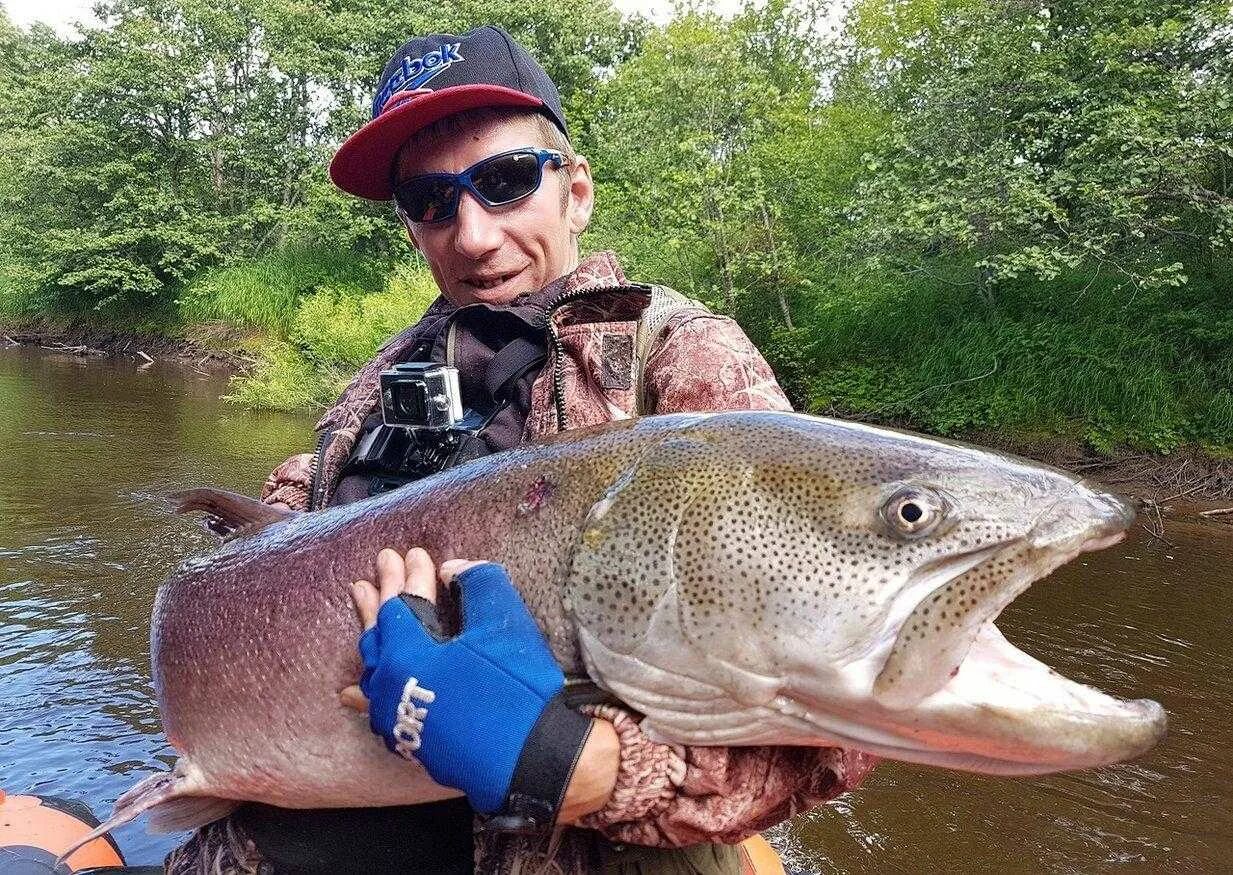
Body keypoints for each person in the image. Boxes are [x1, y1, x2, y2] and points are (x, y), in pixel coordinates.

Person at [167, 25, 873, 875]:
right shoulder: (379, 377)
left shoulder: (684, 358)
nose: (471, 235)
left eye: (504, 182)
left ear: (575, 190)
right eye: (432, 202)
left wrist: (570, 765)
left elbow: (837, 715)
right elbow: (291, 521)